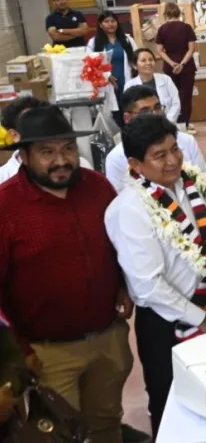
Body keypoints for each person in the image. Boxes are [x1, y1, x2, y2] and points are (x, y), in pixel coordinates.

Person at [0, 105, 134, 443]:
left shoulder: (98, 188)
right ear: (24, 156)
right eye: (47, 152)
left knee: (107, 424)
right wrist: (19, 351)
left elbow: (123, 245)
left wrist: (123, 284)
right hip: (47, 353)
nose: (61, 160)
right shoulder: (6, 207)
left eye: (68, 148)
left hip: (107, 339)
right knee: (58, 434)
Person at [105, 114, 206, 438]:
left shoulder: (192, 185)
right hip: (166, 323)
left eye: (175, 149)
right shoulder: (130, 209)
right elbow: (147, 287)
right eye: (160, 155)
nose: (173, 161)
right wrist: (198, 317)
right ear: (135, 163)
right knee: (172, 402)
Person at [105, 86, 206, 192]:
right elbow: (120, 198)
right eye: (145, 111)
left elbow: (205, 181)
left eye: (157, 108)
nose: (155, 115)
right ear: (128, 118)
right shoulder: (116, 158)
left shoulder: (186, 140)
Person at [0, 96, 94, 184]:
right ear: (14, 135)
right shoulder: (3, 178)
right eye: (33, 125)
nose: (44, 130)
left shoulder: (82, 166)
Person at [86, 11, 138, 128]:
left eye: (113, 21)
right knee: (113, 116)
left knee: (129, 112)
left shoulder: (127, 40)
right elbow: (89, 64)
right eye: (106, 21)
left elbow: (136, 58)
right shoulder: (94, 42)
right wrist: (106, 75)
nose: (110, 24)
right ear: (100, 24)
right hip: (106, 85)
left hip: (126, 82)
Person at [155, 3, 197, 132]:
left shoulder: (161, 29)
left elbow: (160, 51)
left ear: (165, 15)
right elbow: (191, 49)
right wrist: (182, 64)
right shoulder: (186, 28)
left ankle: (173, 124)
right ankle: (185, 124)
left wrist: (172, 63)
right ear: (179, 14)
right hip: (187, 66)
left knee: (171, 96)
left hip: (169, 67)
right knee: (186, 96)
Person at [122, 48, 181, 123]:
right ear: (135, 65)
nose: (148, 63)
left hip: (167, 123)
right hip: (142, 126)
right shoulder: (129, 85)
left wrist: (167, 122)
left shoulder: (166, 79)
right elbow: (130, 109)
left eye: (151, 60)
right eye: (143, 60)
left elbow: (176, 103)